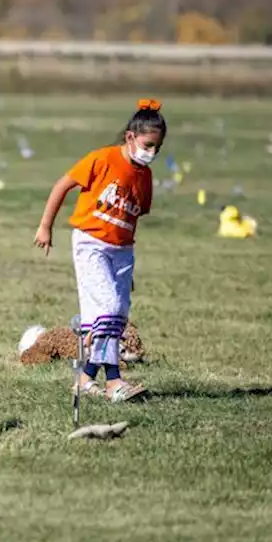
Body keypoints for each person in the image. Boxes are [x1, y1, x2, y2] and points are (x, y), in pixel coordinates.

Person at [32, 98, 164, 402]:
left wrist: (127, 267)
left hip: (122, 253)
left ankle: (85, 377)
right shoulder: (101, 159)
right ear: (130, 137)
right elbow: (62, 185)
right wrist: (45, 226)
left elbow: (132, 219)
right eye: (147, 145)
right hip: (91, 244)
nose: (152, 153)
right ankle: (115, 382)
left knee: (116, 317)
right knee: (109, 310)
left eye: (157, 148)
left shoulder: (145, 176)